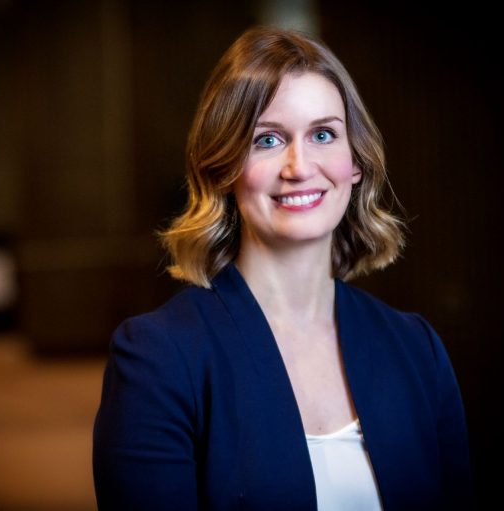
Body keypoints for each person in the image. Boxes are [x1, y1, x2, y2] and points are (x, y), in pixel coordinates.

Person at [93, 26, 473, 511]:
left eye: (323, 134)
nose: (299, 166)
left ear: (355, 161)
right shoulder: (158, 359)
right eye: (267, 140)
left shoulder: (417, 349)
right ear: (224, 168)